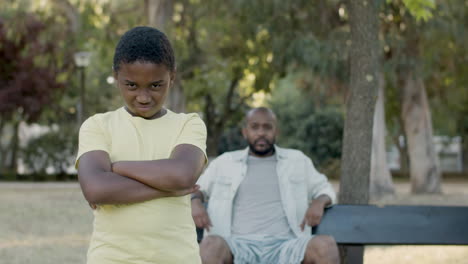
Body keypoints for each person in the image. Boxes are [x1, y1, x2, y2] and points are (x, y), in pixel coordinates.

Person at [76, 26, 207, 264]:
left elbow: (182, 175)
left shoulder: (188, 124)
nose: (144, 97)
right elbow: (95, 189)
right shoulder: (98, 126)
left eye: (156, 85)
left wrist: (115, 168)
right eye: (132, 85)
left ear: (172, 77)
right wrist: (169, 188)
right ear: (116, 77)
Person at [191, 107, 340, 264]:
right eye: (255, 127)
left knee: (325, 245)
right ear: (245, 132)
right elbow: (197, 188)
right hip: (237, 245)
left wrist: (319, 201)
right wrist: (195, 201)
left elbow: (325, 189)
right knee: (210, 245)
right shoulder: (225, 162)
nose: (261, 133)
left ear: (276, 132)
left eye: (267, 127)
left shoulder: (297, 160)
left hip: (287, 245)